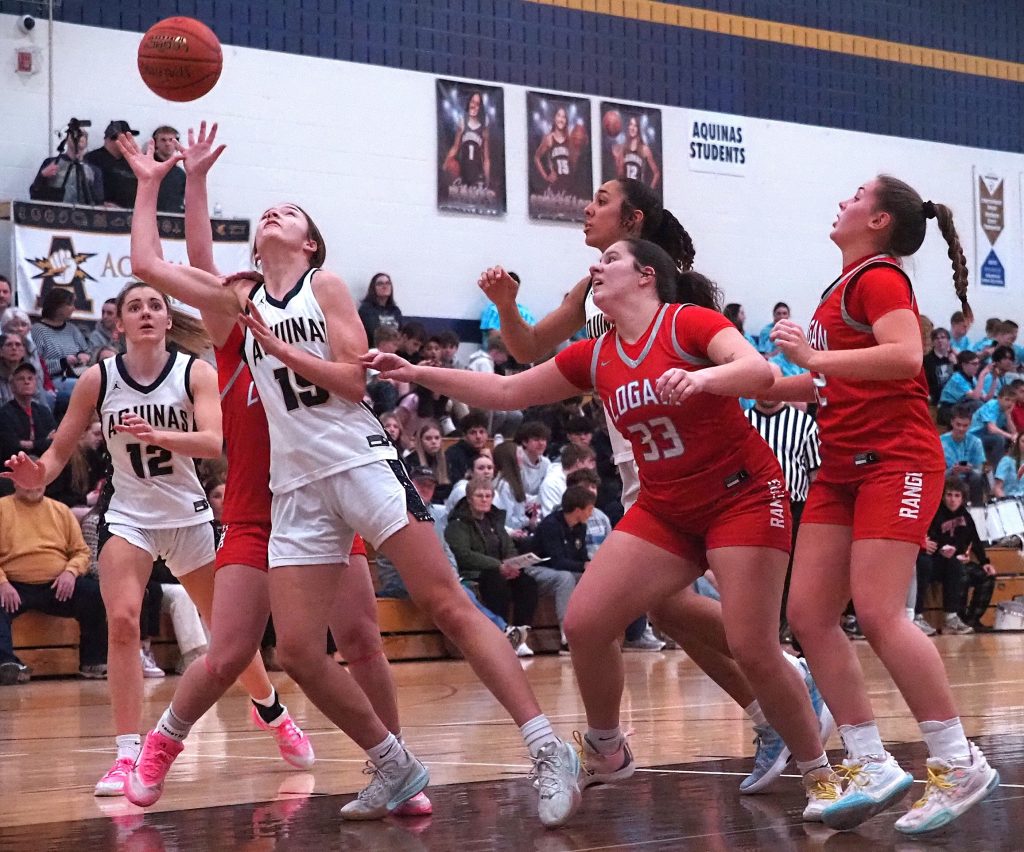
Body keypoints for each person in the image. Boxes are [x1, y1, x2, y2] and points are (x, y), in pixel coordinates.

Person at [125, 128, 583, 829]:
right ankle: (395, 767)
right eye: (268, 212)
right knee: (302, 651)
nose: (275, 214)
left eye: (291, 212)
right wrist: (157, 180)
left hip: (361, 461)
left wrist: (277, 347)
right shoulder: (235, 303)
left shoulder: (325, 285)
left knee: (448, 603)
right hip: (297, 491)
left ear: (311, 244)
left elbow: (349, 379)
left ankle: (548, 749)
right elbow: (147, 261)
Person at [365, 238, 837, 819]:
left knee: (752, 646)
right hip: (667, 506)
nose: (596, 266)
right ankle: (607, 747)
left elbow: (757, 370)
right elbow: (509, 388)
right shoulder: (596, 353)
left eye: (610, 259)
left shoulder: (688, 323)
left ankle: (823, 776)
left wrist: (702, 381)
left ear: (645, 275)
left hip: (740, 495)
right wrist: (419, 371)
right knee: (586, 621)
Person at [112, 126, 440, 816]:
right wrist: (186, 182)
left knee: (359, 639)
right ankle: (160, 746)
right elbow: (193, 260)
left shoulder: (308, 313)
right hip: (258, 512)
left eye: (288, 215)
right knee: (229, 651)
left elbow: (352, 375)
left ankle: (396, 765)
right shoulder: (236, 328)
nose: (232, 281)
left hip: (324, 497)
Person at [478, 177, 824, 795]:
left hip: (694, 458)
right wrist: (507, 304)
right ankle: (774, 694)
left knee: (679, 610)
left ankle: (782, 680)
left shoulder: (672, 297)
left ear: (633, 221)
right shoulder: (591, 287)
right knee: (662, 609)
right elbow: (528, 349)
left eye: (602, 201)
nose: (588, 208)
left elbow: (744, 370)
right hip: (637, 458)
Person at [768, 175, 999, 834]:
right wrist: (767, 385)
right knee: (808, 614)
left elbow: (903, 357)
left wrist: (812, 358)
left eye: (856, 194)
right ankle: (869, 762)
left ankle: (959, 762)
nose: (842, 198)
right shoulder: (837, 289)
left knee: (877, 611)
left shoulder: (881, 276)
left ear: (878, 221)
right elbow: (831, 381)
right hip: (840, 465)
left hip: (894, 461)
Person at [2, 280, 293, 798]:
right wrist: (35, 476)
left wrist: (159, 435)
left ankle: (270, 708)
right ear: (119, 322)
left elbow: (212, 441)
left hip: (187, 514)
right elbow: (58, 453)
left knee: (226, 634)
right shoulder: (99, 379)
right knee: (121, 620)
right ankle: (126, 753)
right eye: (133, 306)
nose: (144, 313)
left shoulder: (193, 372)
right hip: (129, 515)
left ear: (165, 319)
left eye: (154, 306)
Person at [0, 480, 106, 684]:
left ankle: (93, 662)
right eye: (26, 480)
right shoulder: (2, 508)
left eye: (37, 480)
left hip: (57, 586)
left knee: (94, 594)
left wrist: (70, 572)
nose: (33, 486)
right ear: (16, 483)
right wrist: (2, 582)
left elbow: (81, 552)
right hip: (13, 586)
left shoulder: (60, 510)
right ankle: (6, 663)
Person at [445, 476, 538, 657]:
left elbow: (508, 546)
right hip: (476, 573)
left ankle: (520, 635)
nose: (485, 499)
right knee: (495, 581)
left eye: (488, 496)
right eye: (480, 496)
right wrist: (498, 565)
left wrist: (513, 563)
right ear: (470, 498)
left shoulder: (494, 521)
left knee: (527, 583)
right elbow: (464, 555)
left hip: (501, 569)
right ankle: (501, 635)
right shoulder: (457, 525)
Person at [531, 485, 596, 650]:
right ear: (577, 510)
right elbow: (556, 561)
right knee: (565, 578)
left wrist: (590, 567)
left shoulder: (580, 527)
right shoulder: (551, 525)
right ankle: (567, 636)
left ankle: (593, 630)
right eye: (589, 509)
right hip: (537, 569)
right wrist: (584, 565)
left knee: (592, 578)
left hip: (563, 569)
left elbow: (581, 557)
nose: (592, 513)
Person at [31, 288, 90, 396]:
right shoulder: (38, 330)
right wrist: (62, 362)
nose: (74, 308)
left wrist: (82, 355)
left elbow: (85, 351)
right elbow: (36, 365)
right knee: (86, 388)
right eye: (71, 304)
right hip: (53, 381)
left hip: (78, 375)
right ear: (58, 307)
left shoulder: (72, 329)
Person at [29, 125, 104, 205]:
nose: (78, 137)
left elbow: (98, 202)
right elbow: (34, 194)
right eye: (74, 133)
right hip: (56, 213)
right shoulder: (51, 163)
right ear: (67, 139)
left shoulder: (94, 171)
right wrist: (42, 176)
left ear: (86, 141)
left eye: (82, 134)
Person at [0, 363, 56, 461]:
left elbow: (55, 441)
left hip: (45, 463)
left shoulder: (43, 411)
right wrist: (43, 442)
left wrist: (30, 444)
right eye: (21, 379)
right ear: (12, 386)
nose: (26, 382)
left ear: (35, 383)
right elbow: (12, 447)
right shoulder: (4, 413)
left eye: (30, 378)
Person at [84, 120, 140, 208]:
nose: (129, 141)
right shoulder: (92, 159)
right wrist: (100, 204)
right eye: (124, 137)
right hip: (103, 215)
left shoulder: (132, 161)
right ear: (110, 138)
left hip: (131, 216)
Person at [940, 407, 987, 505]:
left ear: (970, 425)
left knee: (977, 477)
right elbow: (938, 474)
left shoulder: (976, 442)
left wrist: (970, 469)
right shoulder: (940, 442)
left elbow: (979, 470)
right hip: (948, 478)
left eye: (965, 425)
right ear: (952, 422)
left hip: (968, 477)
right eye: (958, 424)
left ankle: (977, 510)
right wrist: (952, 471)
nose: (961, 429)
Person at [443, 91, 490, 188]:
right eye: (472, 102)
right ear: (469, 102)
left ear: (480, 107)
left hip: (477, 172)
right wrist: (445, 163)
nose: (474, 106)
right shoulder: (463, 121)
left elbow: (486, 157)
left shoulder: (483, 126)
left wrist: (487, 179)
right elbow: (455, 148)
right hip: (463, 170)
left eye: (477, 104)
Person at [969, 385, 1017, 467]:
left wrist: (1008, 416)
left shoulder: (1006, 410)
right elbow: (991, 429)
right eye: (1007, 399)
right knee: (1000, 439)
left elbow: (1013, 432)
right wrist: (1010, 436)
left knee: (1017, 440)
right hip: (974, 436)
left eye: (1012, 401)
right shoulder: (992, 405)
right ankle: (996, 470)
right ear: (999, 398)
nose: (1010, 403)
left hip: (986, 436)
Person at [403, 420, 451, 502]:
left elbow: (448, 488)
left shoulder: (446, 459)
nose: (433, 442)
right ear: (420, 441)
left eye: (437, 438)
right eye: (428, 438)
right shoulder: (411, 460)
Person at [612, 115, 660, 189]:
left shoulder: (644, 149)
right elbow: (620, 175)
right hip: (627, 192)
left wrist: (649, 191)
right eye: (631, 124)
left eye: (635, 126)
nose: (633, 128)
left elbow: (656, 173)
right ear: (628, 127)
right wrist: (616, 158)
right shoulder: (624, 148)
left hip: (639, 192)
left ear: (638, 129)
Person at [937, 350, 984, 424]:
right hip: (947, 410)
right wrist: (982, 375)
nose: (977, 366)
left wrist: (994, 379)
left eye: (978, 363)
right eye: (974, 364)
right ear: (964, 365)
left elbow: (986, 397)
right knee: (977, 404)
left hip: (959, 407)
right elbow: (975, 397)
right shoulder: (957, 378)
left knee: (988, 404)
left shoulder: (973, 378)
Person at [358, 273, 403, 342]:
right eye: (380, 284)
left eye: (388, 283)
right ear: (373, 288)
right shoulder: (366, 310)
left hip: (393, 349)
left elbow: (401, 334)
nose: (385, 286)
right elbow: (373, 333)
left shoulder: (395, 310)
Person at [151, 126, 186, 213]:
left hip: (173, 220)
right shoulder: (147, 168)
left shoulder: (180, 174)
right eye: (163, 140)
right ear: (155, 143)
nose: (167, 143)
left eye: (171, 140)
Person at [922, 327, 956, 404]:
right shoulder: (926, 361)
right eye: (936, 338)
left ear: (948, 341)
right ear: (933, 342)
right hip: (935, 397)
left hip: (953, 396)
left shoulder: (954, 358)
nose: (940, 340)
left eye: (943, 337)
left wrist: (955, 364)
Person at [993, 431, 1024, 499]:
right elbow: (997, 488)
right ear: (1018, 443)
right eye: (1023, 441)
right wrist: (1006, 502)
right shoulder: (1006, 461)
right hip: (1011, 501)